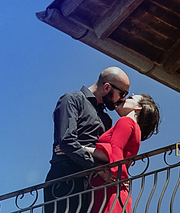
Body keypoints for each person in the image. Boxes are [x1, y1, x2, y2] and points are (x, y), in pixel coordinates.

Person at [43, 67, 131, 213]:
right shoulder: (71, 99)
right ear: (107, 87)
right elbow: (67, 142)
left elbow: (105, 152)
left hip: (92, 184)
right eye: (122, 94)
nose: (122, 100)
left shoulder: (106, 119)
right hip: (65, 179)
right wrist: (98, 168)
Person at [87, 94, 161, 213]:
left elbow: (112, 152)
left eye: (131, 98)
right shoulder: (135, 129)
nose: (123, 99)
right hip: (114, 189)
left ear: (138, 107)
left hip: (109, 189)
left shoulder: (126, 121)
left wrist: (78, 148)